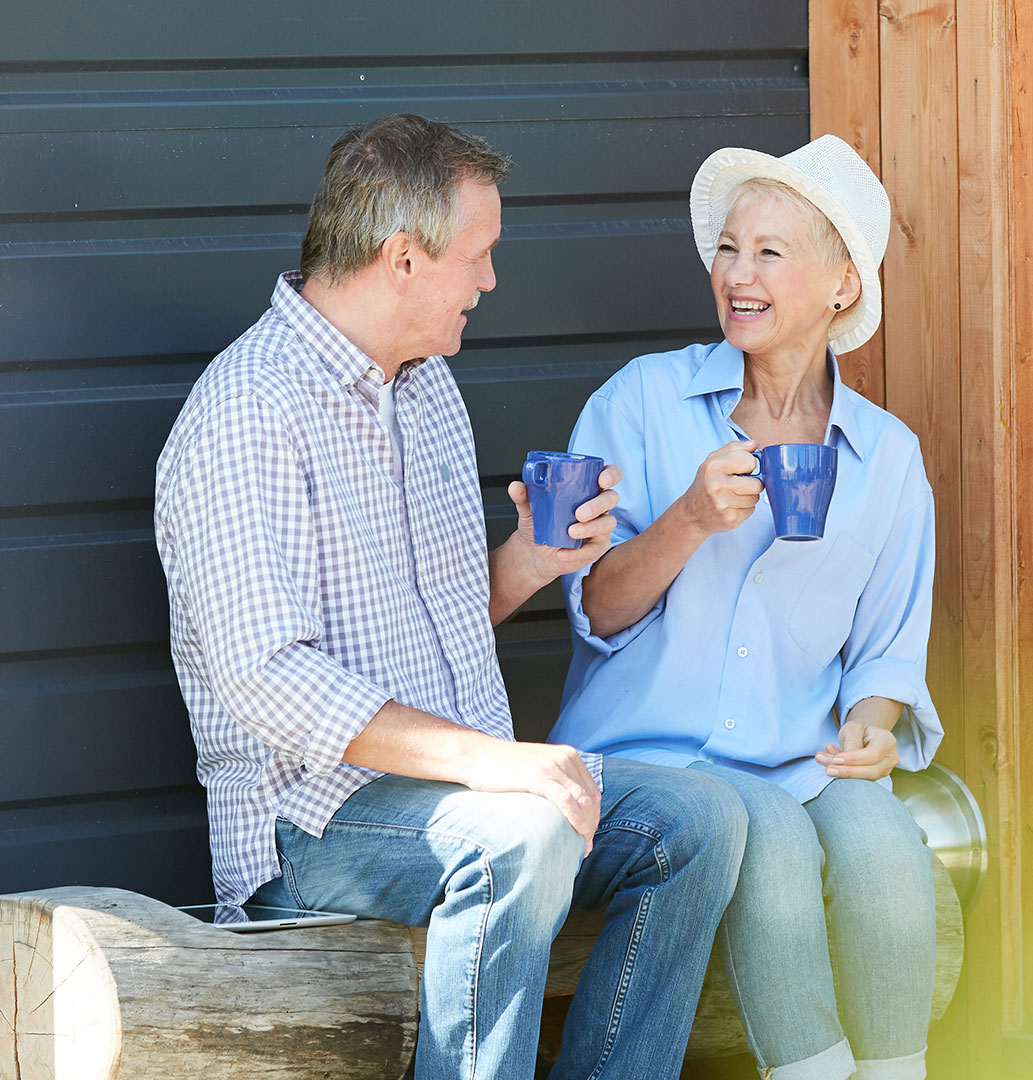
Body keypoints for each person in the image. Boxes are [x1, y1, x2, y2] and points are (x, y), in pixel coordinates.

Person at [153, 113, 748, 1080]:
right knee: (526, 829)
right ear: (402, 259)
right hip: (310, 827)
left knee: (701, 822)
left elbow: (440, 607)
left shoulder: (425, 389)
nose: (489, 279)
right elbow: (270, 678)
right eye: (477, 255)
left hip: (457, 790)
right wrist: (497, 766)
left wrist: (533, 559)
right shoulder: (246, 412)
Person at [549, 135, 942, 1080]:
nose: (738, 274)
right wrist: (687, 520)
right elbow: (594, 608)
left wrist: (873, 731)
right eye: (729, 248)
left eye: (771, 252)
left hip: (798, 756)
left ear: (843, 282)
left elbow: (888, 647)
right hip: (649, 760)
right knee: (764, 841)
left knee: (890, 851)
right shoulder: (643, 401)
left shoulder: (887, 458)